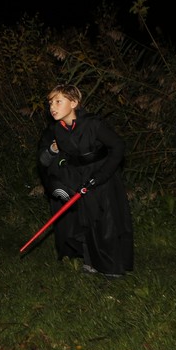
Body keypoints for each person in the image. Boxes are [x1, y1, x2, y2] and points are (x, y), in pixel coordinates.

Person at [37, 84, 134, 277]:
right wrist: (61, 180)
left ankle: (112, 266)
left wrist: (101, 176)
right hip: (79, 178)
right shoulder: (58, 130)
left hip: (102, 175)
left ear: (74, 103)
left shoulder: (93, 124)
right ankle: (91, 262)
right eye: (50, 103)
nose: (52, 107)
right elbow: (61, 159)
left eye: (58, 101)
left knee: (106, 220)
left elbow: (118, 146)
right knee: (85, 220)